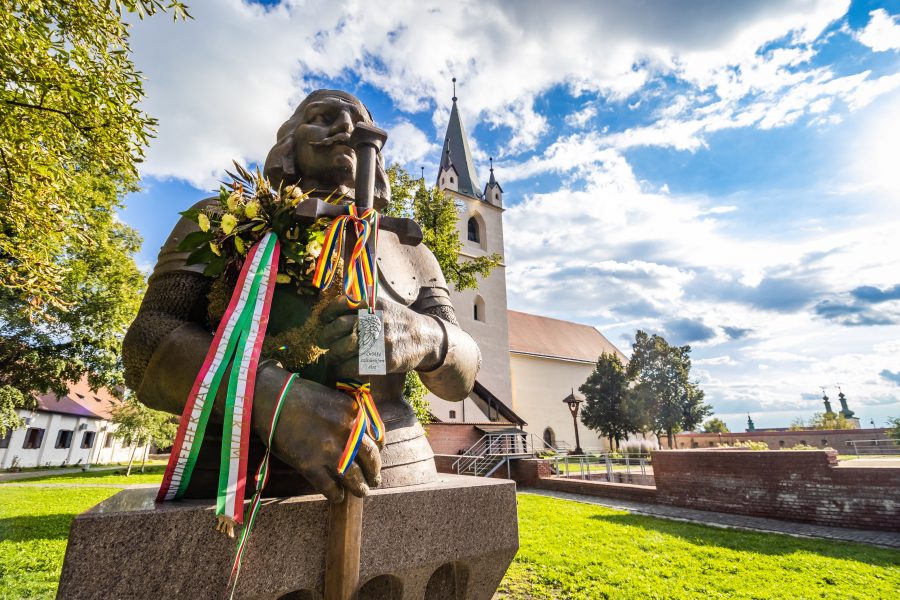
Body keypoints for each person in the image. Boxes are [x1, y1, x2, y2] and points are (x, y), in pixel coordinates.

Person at [123, 90, 480, 502]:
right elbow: (145, 343)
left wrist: (430, 339)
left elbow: (461, 381)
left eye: (358, 123)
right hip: (234, 468)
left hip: (395, 463)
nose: (346, 129)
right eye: (324, 116)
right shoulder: (221, 220)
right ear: (288, 141)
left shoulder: (411, 250)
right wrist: (269, 398)